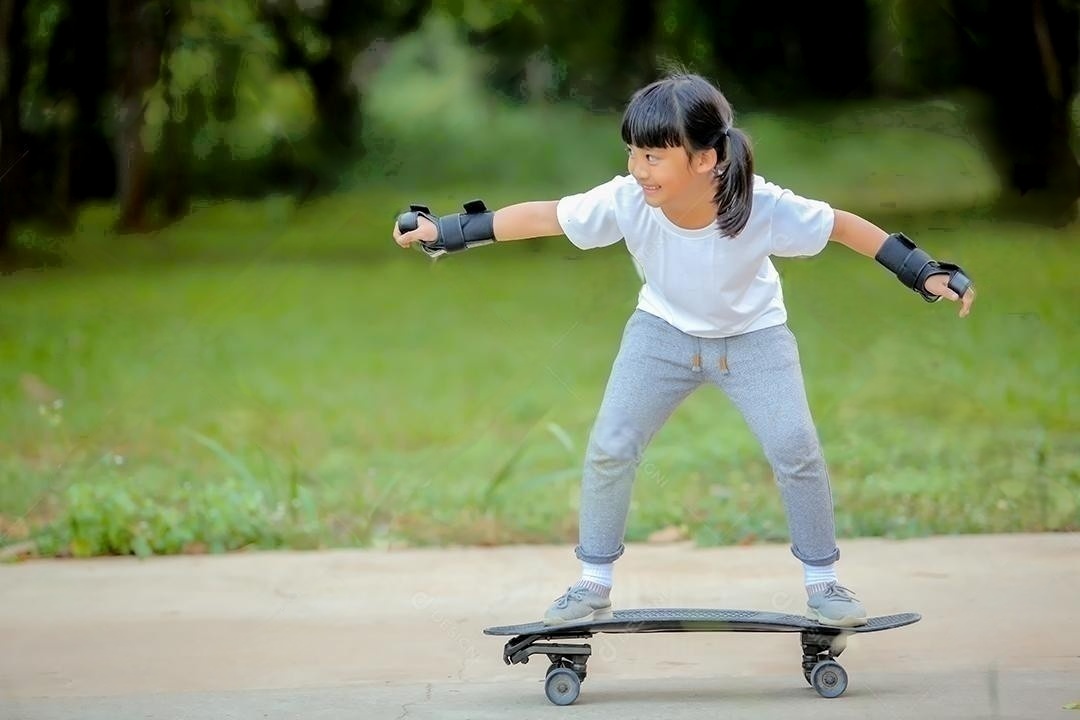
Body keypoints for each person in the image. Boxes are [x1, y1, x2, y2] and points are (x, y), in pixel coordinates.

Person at [392, 72, 976, 628]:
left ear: (705, 159)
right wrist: (446, 232)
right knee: (610, 447)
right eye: (633, 154)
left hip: (755, 339)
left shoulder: (761, 206)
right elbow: (545, 216)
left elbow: (843, 226)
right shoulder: (627, 200)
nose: (636, 169)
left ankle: (825, 584)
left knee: (795, 446)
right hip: (661, 335)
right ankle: (592, 585)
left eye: (652, 156)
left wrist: (920, 270)